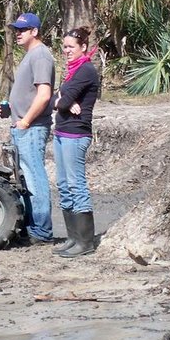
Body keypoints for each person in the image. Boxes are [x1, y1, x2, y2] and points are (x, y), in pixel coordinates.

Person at [0, 12, 54, 244]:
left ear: (35, 31)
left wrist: (26, 121)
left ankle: (41, 230)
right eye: (16, 30)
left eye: (23, 30)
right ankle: (31, 227)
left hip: (31, 128)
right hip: (23, 126)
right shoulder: (30, 55)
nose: (18, 34)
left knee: (34, 178)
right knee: (25, 178)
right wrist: (10, 109)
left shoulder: (40, 55)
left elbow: (44, 95)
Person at [51, 26, 100, 257]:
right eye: (64, 47)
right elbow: (54, 99)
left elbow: (60, 101)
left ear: (83, 47)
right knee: (63, 185)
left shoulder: (86, 70)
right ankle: (73, 237)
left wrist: (63, 100)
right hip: (62, 133)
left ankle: (85, 241)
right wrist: (64, 100)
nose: (67, 50)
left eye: (71, 47)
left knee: (76, 185)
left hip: (76, 134)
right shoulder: (72, 71)